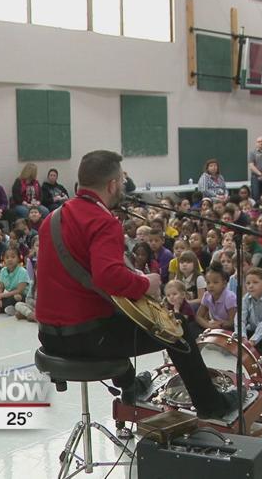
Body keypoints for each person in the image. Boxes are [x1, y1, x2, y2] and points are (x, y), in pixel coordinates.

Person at [35, 150, 238, 419]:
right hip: (87, 339)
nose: (122, 185)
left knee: (116, 316)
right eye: (121, 180)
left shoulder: (52, 219)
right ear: (112, 185)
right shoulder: (103, 221)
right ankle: (211, 406)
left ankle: (130, 385)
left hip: (48, 336)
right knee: (177, 329)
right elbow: (109, 277)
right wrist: (146, 283)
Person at [248, 136, 262, 203]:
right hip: (256, 177)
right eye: (259, 142)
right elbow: (251, 165)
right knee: (256, 195)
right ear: (256, 143)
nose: (261, 143)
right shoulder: (252, 153)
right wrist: (260, 174)